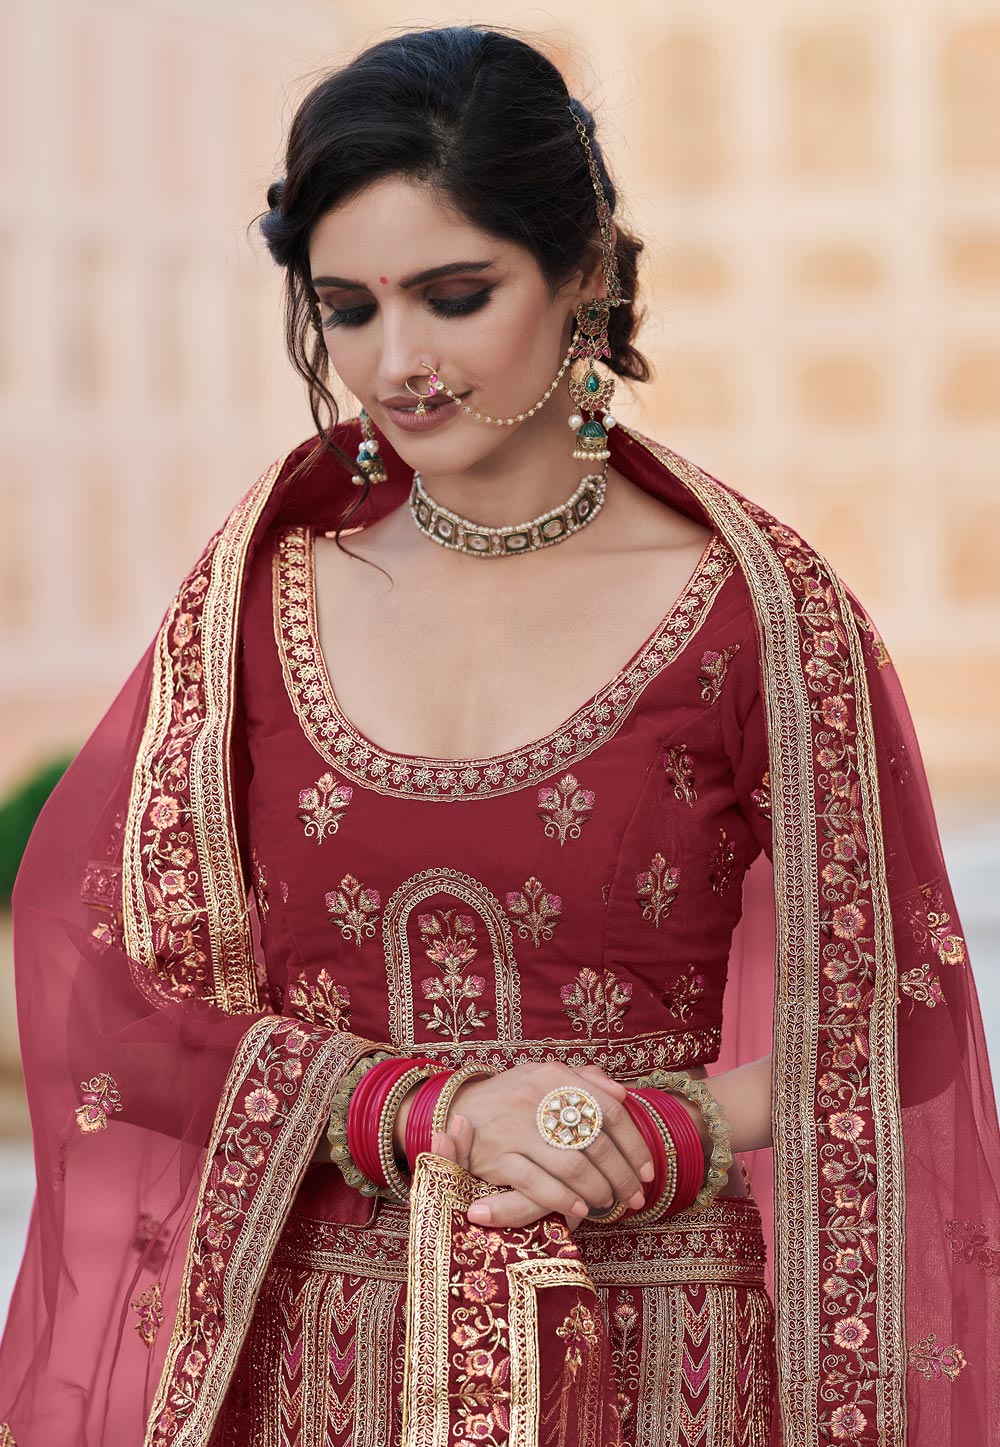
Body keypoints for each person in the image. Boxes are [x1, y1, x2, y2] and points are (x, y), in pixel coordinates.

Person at [0, 23, 997, 1447]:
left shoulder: (757, 618)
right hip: (315, 1365)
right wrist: (415, 1109)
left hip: (659, 1355)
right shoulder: (249, 607)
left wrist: (666, 1127)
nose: (397, 362)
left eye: (454, 296)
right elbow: (114, 1015)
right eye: (346, 309)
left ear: (584, 275)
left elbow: (900, 1024)